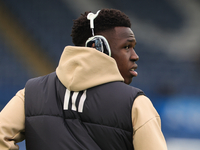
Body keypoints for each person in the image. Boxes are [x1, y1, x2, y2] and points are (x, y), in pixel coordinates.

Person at [0, 8, 168, 150]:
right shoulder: (136, 104)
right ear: (98, 47)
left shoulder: (30, 93)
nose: (135, 56)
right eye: (126, 47)